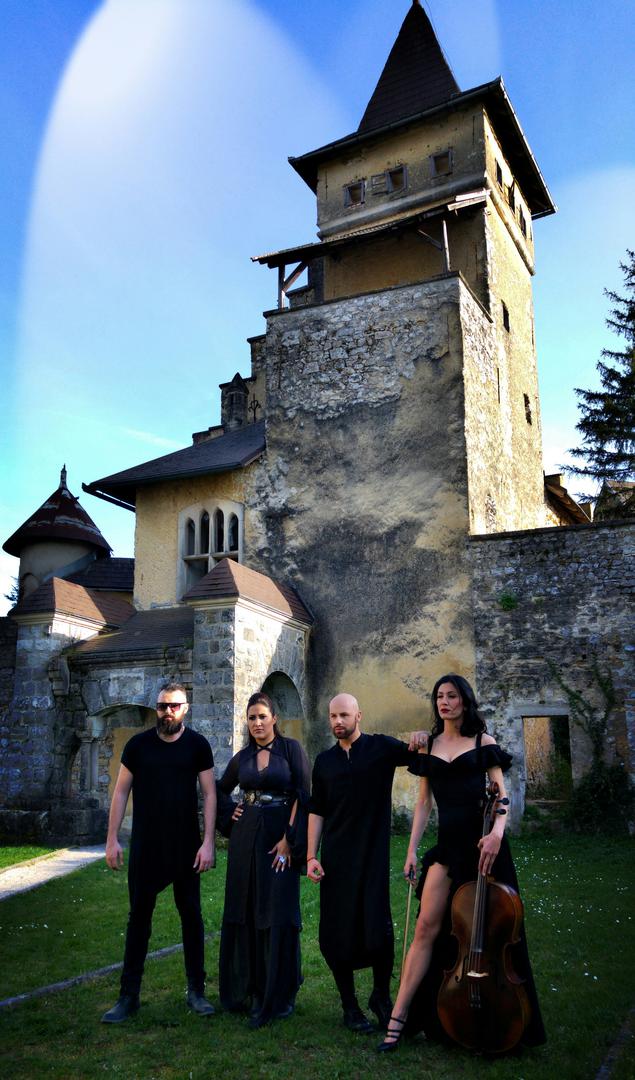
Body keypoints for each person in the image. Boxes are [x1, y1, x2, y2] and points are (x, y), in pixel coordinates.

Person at [376, 673, 546, 1052]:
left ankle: (498, 1014)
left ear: (464, 701)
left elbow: (502, 797)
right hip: (448, 849)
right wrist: (411, 850)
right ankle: (399, 1017)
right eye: (440, 696)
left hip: (485, 847)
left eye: (452, 696)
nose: (445, 702)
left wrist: (497, 833)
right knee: (425, 929)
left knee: (494, 935)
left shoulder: (484, 742)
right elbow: (424, 803)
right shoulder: (429, 746)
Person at [307, 692, 427, 1034]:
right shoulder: (324, 762)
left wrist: (421, 737)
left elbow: (417, 753)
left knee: (380, 932)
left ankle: (381, 996)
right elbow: (317, 810)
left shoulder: (380, 748)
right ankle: (350, 1006)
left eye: (344, 715)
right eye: (333, 716)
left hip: (373, 858)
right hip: (336, 862)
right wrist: (311, 855)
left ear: (358, 716)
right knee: (336, 934)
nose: (337, 722)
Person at [101, 682, 216, 1024]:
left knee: (191, 918)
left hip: (186, 847)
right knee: (138, 920)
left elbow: (210, 794)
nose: (168, 712)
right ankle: (128, 996)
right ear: (156, 708)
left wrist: (208, 841)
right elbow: (120, 792)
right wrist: (111, 839)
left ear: (186, 709)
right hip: (146, 848)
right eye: (163, 706)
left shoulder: (197, 745)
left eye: (174, 706)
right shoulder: (138, 746)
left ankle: (196, 991)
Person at [216, 691, 310, 1029]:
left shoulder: (291, 750)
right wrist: (230, 811)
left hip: (278, 839)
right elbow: (219, 789)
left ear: (274, 719)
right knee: (246, 907)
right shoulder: (242, 757)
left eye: (262, 717)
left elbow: (303, 794)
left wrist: (289, 839)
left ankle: (278, 994)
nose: (257, 723)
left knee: (277, 911)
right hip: (246, 839)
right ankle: (250, 990)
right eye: (252, 718)